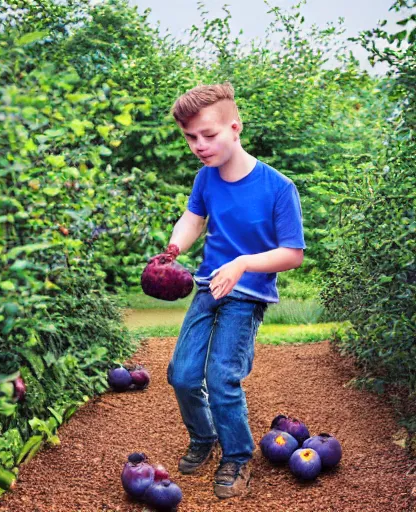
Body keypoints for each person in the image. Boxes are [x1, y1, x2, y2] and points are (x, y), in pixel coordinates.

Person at [153, 82, 306, 499]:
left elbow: (292, 253)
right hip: (207, 286)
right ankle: (204, 436)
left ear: (235, 127)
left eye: (209, 135)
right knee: (182, 374)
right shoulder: (206, 178)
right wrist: (173, 248)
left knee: (222, 377)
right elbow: (192, 220)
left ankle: (237, 455)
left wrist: (242, 264)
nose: (199, 145)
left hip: (248, 293)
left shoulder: (278, 188)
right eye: (190, 137)